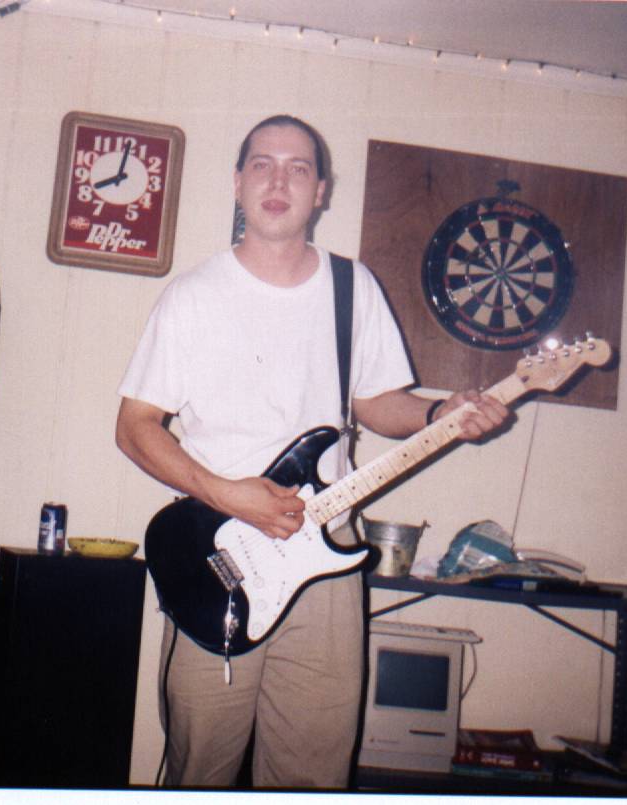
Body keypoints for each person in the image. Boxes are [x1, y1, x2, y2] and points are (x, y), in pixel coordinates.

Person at [115, 114, 510, 789]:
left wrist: (440, 414)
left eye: (298, 168)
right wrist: (226, 493)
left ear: (321, 190)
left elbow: (377, 403)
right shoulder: (193, 297)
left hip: (326, 558)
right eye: (262, 165)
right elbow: (135, 427)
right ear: (238, 183)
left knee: (312, 776)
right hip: (218, 557)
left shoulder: (353, 288)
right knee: (200, 768)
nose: (279, 181)